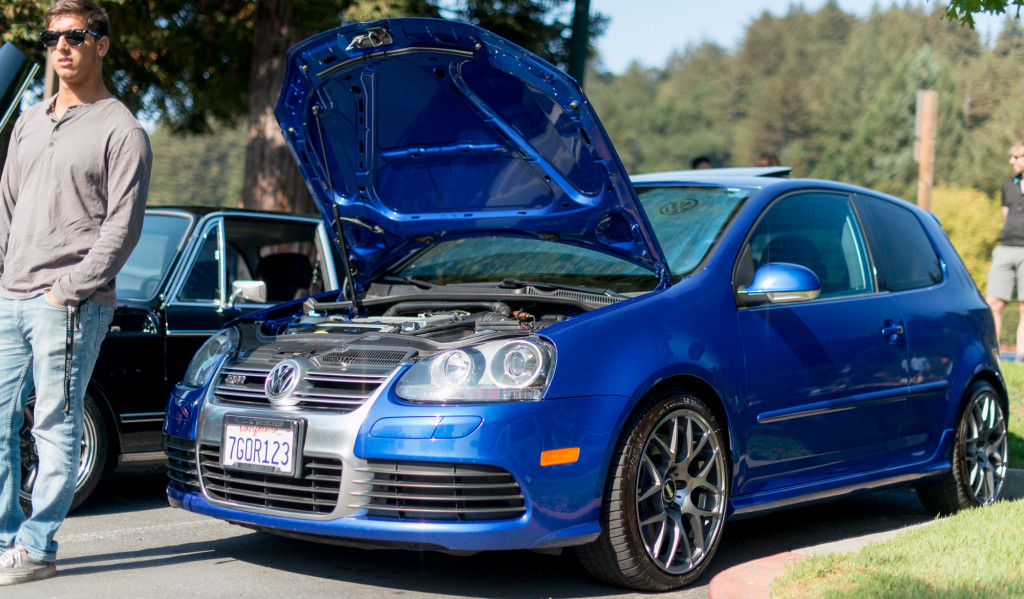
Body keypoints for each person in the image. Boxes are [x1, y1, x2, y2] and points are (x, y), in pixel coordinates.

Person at [0, 0, 150, 585]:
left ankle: (38, 547)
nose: (62, 46)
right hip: (11, 295)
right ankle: (7, 538)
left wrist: (67, 290)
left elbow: (123, 226)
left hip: (69, 304)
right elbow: (7, 206)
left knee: (55, 423)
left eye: (77, 36)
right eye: (52, 37)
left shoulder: (122, 129)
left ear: (102, 45)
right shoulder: (29, 122)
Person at [986, 140, 1024, 360]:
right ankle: (994, 357)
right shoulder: (1008, 185)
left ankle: (1021, 359)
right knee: (993, 302)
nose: (1011, 161)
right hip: (1006, 248)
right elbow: (1005, 215)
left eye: (1016, 157)